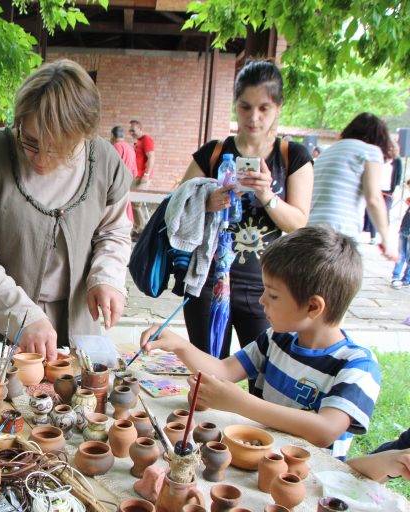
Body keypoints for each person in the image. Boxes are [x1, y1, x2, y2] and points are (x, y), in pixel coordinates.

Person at [0, 59, 132, 362]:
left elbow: (114, 232)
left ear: (84, 134)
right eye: (30, 141)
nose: (40, 159)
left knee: (74, 406)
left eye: (57, 148)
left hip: (75, 322)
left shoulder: (104, 163)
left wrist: (107, 278)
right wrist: (24, 317)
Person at [139, 226, 381, 459]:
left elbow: (325, 431)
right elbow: (224, 370)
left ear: (313, 306)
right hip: (262, 457)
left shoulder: (357, 367)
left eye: (273, 295)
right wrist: (180, 345)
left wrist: (241, 403)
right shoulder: (276, 339)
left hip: (309, 480)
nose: (262, 300)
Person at [179, 60, 314, 359]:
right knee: (208, 376)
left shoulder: (293, 156)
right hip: (208, 282)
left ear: (278, 107)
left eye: (264, 108)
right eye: (245, 107)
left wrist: (266, 193)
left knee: (265, 380)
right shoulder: (213, 153)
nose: (254, 117)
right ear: (235, 106)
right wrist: (207, 201)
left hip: (269, 288)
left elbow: (298, 224)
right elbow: (177, 207)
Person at [308, 112, 398, 260]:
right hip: (339, 234)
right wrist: (387, 240)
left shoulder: (328, 152)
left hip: (311, 229)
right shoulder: (370, 151)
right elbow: (374, 198)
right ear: (379, 136)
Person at [363, 154, 402, 244]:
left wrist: (396, 190)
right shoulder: (377, 158)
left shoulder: (397, 161)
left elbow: (399, 176)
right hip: (377, 190)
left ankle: (384, 237)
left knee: (385, 213)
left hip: (389, 192)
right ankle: (373, 237)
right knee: (374, 212)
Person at [129, 120, 155, 236]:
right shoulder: (138, 141)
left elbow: (151, 158)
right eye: (130, 130)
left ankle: (141, 230)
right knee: (133, 202)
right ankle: (137, 228)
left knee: (136, 203)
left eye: (133, 130)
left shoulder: (146, 140)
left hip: (142, 177)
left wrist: (146, 175)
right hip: (137, 177)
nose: (131, 132)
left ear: (140, 129)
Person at [110, 126, 136, 222]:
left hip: (117, 185)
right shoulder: (130, 148)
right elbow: (134, 171)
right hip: (126, 184)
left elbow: (111, 168)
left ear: (112, 135)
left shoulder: (116, 147)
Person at [391, 178, 410, 289]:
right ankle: (396, 277)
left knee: (407, 257)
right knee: (401, 255)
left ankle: (406, 279)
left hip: (406, 230)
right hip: (404, 229)